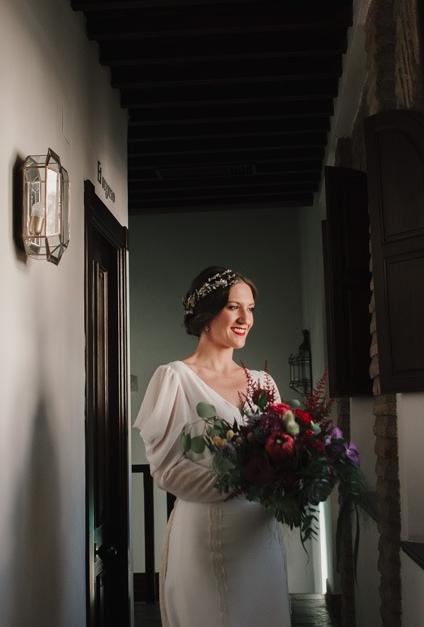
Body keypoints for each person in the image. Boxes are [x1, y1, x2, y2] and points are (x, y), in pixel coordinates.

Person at [133, 266, 290, 626]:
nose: (245, 319)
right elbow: (166, 469)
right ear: (206, 313)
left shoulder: (263, 384)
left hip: (260, 536)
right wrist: (241, 481)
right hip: (207, 535)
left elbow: (283, 451)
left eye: (250, 309)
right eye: (234, 307)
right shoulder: (174, 379)